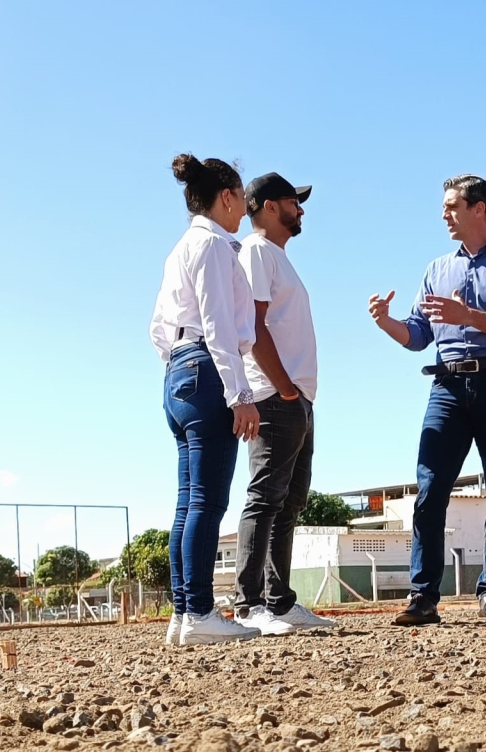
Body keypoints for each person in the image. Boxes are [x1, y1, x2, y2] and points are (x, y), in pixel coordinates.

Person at [368, 175, 486, 625]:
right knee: (429, 491)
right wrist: (386, 322)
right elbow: (418, 335)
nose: (444, 215)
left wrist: (469, 316)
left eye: (451, 206)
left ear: (479, 208)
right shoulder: (435, 269)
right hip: (445, 387)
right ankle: (423, 597)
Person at [150, 153, 263, 645]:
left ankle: (183, 613)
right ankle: (198, 612)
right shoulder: (216, 247)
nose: (244, 209)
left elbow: (157, 329)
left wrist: (181, 369)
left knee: (187, 503)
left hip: (178, 371)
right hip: (205, 368)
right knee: (208, 501)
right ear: (226, 196)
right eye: (241, 199)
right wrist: (239, 393)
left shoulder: (181, 247)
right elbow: (218, 324)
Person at [232, 173, 336, 635]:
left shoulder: (276, 257)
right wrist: (286, 389)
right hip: (276, 396)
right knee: (265, 498)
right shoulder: (255, 252)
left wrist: (299, 395)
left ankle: (279, 602)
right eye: (296, 201)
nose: (302, 210)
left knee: (289, 503)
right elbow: (251, 326)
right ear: (270, 206)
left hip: (297, 398)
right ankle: (249, 604)